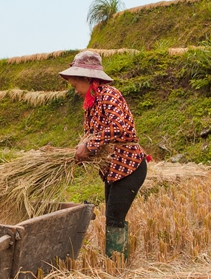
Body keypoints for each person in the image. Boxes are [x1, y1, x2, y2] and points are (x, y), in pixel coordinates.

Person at [59, 50, 147, 260]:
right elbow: (92, 138)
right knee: (112, 217)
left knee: (114, 218)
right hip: (112, 170)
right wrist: (77, 152)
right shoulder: (91, 105)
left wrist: (90, 146)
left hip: (129, 167)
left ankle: (116, 265)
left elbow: (119, 126)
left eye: (76, 86)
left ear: (88, 79)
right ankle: (116, 261)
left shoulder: (109, 95)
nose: (75, 91)